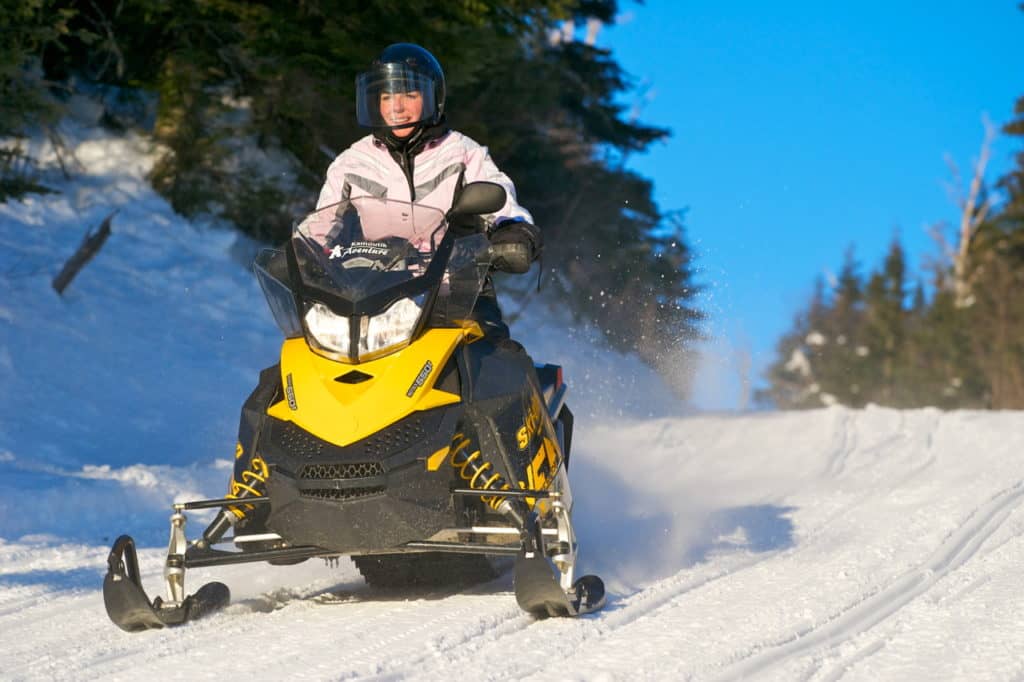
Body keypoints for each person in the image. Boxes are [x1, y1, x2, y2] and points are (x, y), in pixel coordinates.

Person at [316, 43, 541, 341]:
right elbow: (319, 225)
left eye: (409, 94)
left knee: (497, 361)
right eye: (386, 96)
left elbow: (503, 206)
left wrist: (514, 234)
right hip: (369, 301)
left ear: (433, 96)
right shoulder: (350, 162)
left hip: (454, 297)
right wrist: (300, 256)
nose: (396, 106)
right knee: (290, 372)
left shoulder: (462, 153)